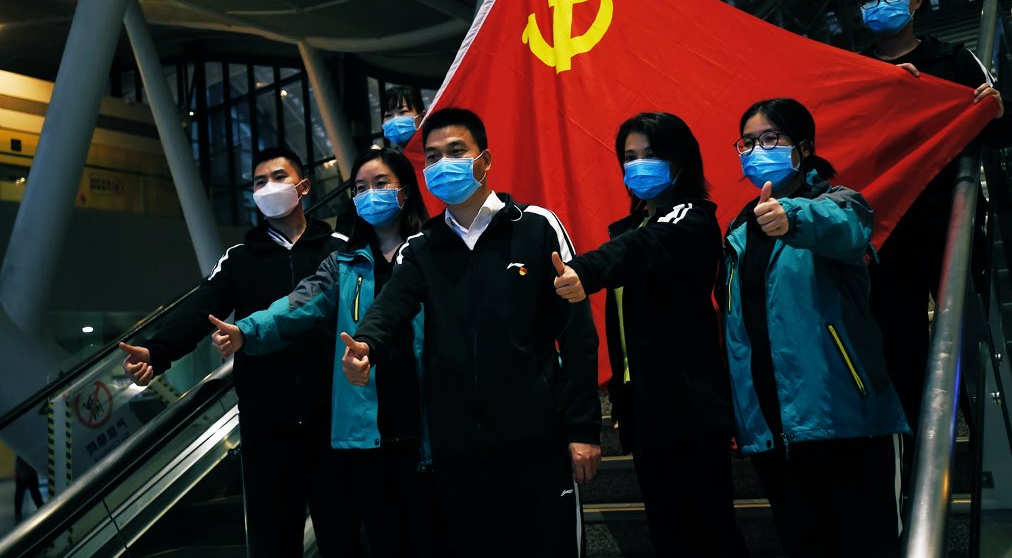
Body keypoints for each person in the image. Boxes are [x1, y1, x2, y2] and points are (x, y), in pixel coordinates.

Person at [340, 108, 602, 558]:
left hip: (536, 439)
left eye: (456, 151)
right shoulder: (420, 248)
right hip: (457, 448)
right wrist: (365, 345)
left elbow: (577, 333)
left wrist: (583, 429)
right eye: (433, 157)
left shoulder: (536, 226)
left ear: (485, 160)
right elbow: (392, 306)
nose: (443, 164)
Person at [208, 147, 448, 558]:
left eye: (380, 184)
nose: (370, 195)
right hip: (368, 436)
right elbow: (297, 305)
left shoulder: (435, 253)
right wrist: (247, 330)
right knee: (384, 542)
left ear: (405, 191)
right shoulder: (344, 263)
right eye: (360, 188)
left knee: (437, 542)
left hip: (432, 428)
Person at [118, 147, 352, 558]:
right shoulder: (241, 259)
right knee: (273, 543)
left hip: (334, 422)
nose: (268, 187)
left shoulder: (338, 248)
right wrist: (157, 352)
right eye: (259, 182)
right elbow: (201, 307)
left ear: (303, 187)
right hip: (266, 427)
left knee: (344, 537)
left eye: (278, 177)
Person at [551, 112, 747, 557]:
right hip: (647, 410)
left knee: (710, 536)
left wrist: (584, 270)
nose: (639, 165)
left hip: (690, 408)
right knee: (668, 536)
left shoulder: (691, 217)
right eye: (630, 156)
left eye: (651, 154)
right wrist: (626, 400)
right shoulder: (637, 224)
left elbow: (640, 249)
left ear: (680, 160)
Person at [721, 98, 909, 558]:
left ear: (803, 148)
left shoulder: (839, 202)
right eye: (748, 142)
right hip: (773, 433)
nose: (757, 150)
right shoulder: (739, 230)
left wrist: (793, 217)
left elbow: (847, 231)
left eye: (771, 139)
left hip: (846, 422)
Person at [858, 0, 1012, 434]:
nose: (881, 4)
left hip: (951, 220)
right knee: (899, 343)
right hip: (885, 230)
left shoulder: (954, 60)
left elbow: (1007, 128)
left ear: (916, 0)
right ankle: (918, 444)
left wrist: (993, 109)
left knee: (971, 332)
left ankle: (988, 432)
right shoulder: (855, 71)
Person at [381, 85, 425, 150]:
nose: (395, 120)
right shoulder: (386, 156)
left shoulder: (434, 153)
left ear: (422, 116)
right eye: (388, 115)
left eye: (403, 112)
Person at [14, 456, 44, 523]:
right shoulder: (29, 456)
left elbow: (17, 465)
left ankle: (17, 512)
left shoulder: (20, 456)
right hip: (29, 475)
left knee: (21, 495)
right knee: (34, 494)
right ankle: (41, 508)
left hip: (23, 476)